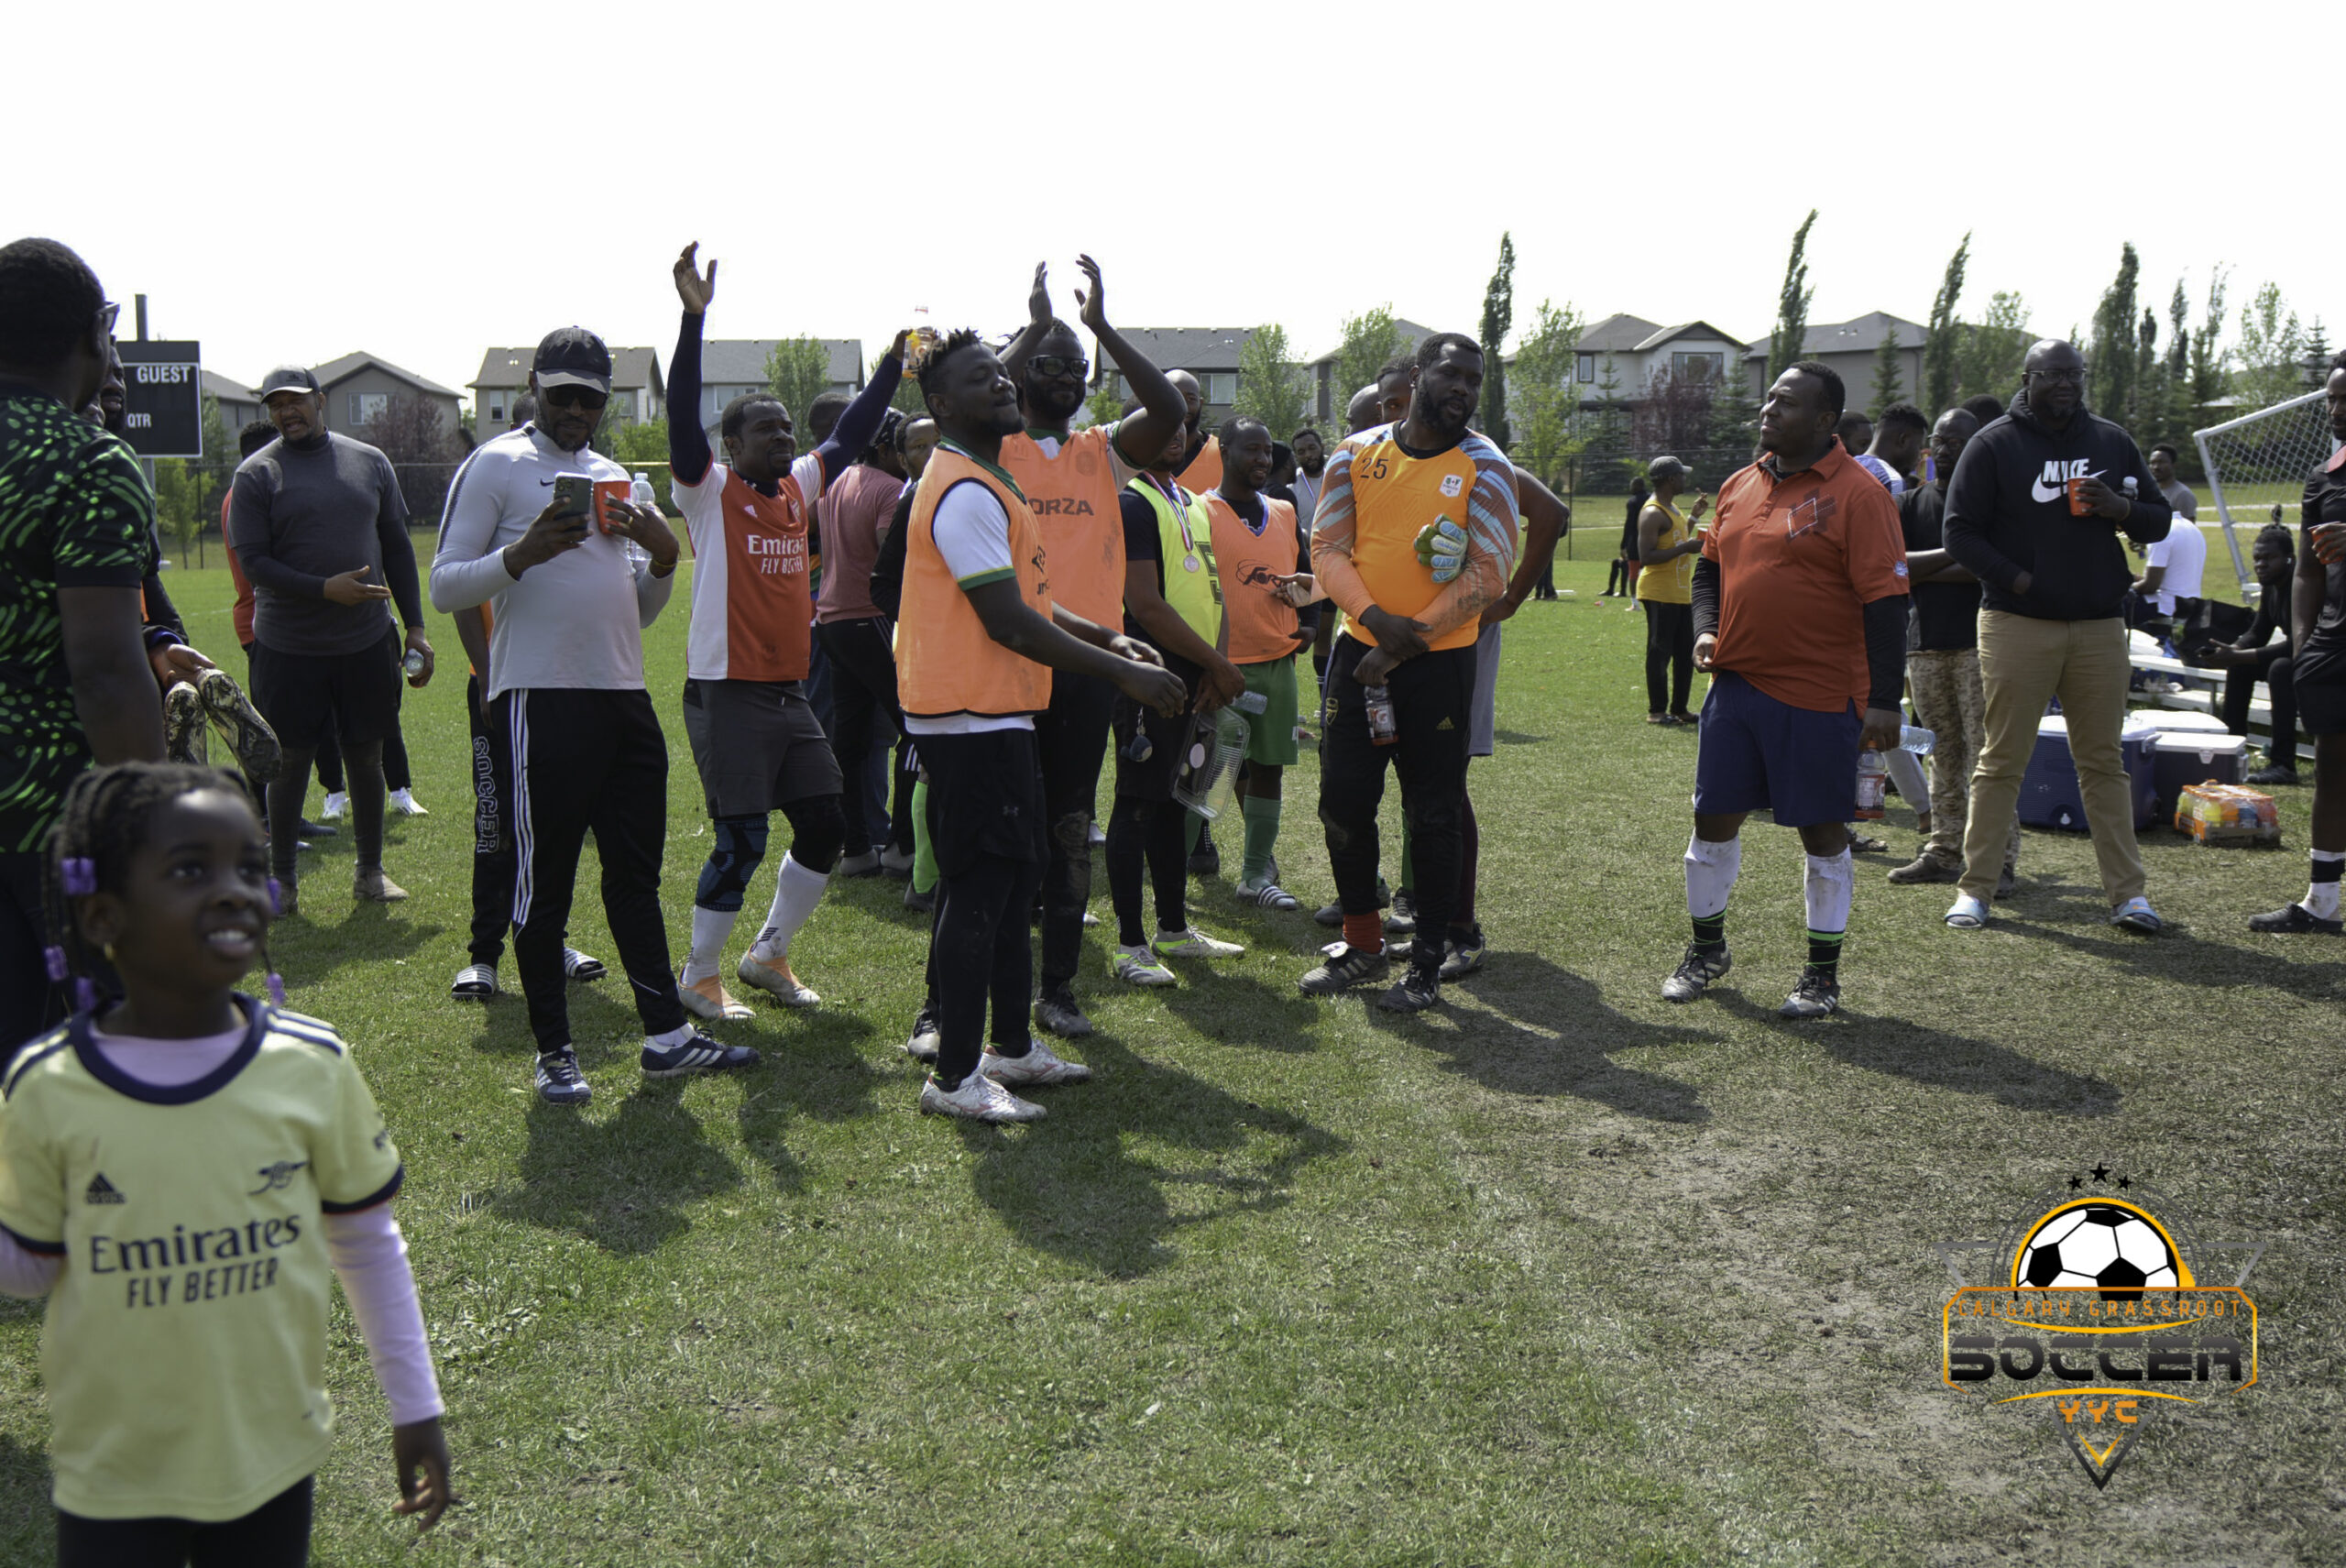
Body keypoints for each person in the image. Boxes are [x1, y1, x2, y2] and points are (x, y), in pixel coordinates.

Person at [1, 762, 448, 1560]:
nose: (235, 890)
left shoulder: (311, 1066)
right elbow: (32, 1266)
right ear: (103, 913)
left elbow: (367, 1242)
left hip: (270, 1463)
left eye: (249, 866)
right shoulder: (47, 1087)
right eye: (189, 870)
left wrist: (415, 1404)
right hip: (111, 1471)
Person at [432, 323, 756, 1105]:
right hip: (539, 699)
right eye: (564, 395)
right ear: (533, 390)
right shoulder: (497, 464)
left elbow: (638, 610)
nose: (577, 409)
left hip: (623, 699)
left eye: (591, 398)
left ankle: (665, 1036)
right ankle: (554, 1051)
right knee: (543, 884)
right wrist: (522, 554)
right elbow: (444, 584)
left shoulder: (615, 477)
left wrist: (665, 556)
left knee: (634, 874)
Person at [893, 329, 1184, 1121]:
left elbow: (1030, 601)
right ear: (941, 405)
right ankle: (955, 1076)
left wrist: (1106, 637)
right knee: (980, 892)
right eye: (981, 379)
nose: (1002, 385)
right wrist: (1123, 672)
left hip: (999, 714)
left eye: (1001, 374)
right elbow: (1008, 622)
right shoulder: (963, 489)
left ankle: (1012, 1047)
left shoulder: (991, 480)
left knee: (1014, 880)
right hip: (968, 717)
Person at [663, 245, 904, 1022]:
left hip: (787, 690)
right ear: (730, 446)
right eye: (761, 429)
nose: (779, 438)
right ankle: (699, 976)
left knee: (826, 823)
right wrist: (693, 322)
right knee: (740, 837)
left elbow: (853, 431)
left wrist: (894, 364)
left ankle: (767, 954)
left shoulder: (798, 488)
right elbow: (680, 414)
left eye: (784, 428)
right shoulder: (708, 490)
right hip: (726, 689)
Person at [1662, 360, 1909, 1019]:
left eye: (1787, 403)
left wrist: (1885, 699)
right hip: (1736, 686)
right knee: (1711, 821)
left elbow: (1887, 603)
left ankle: (1821, 977)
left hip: (1820, 694)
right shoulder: (1740, 483)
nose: (1769, 410)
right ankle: (1706, 950)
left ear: (1826, 420)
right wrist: (1706, 629)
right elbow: (1709, 569)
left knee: (1822, 833)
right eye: (1769, 399)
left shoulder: (1860, 494)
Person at [995, 258, 1189, 1040]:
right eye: (1051, 365)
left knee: (1071, 825)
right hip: (1007, 657)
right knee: (1003, 831)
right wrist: (1037, 325)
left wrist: (1099, 327)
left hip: (1088, 668)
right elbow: (967, 394)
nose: (1067, 378)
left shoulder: (1101, 450)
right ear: (1022, 374)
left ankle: (1058, 987)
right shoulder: (992, 446)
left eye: (1078, 369)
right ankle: (963, 994)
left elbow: (1167, 406)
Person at [1299, 333, 1517, 1012]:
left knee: (1433, 813)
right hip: (1356, 655)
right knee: (1341, 802)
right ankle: (1363, 945)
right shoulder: (1355, 454)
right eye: (1452, 374)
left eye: (1474, 380)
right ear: (1419, 375)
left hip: (1437, 664)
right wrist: (1371, 617)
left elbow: (1490, 573)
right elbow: (1326, 546)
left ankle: (1425, 963)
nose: (1463, 389)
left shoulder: (1487, 465)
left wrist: (1401, 643)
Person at [0, 238, 168, 1058]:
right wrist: (151, 820)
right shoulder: (88, 460)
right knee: (111, 1060)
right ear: (94, 335)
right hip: (49, 820)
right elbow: (103, 670)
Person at [1942, 339, 2173, 932]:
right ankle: (1976, 890)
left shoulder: (2111, 440)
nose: (2067, 383)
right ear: (2028, 378)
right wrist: (2020, 581)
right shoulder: (1993, 443)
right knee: (2001, 760)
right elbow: (1959, 532)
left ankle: (2129, 897)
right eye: (2053, 374)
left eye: (2075, 373)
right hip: (2017, 623)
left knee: (2104, 764)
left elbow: (2159, 519)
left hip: (2099, 625)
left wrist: (2119, 507)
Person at [228, 365, 434, 914]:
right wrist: (325, 590)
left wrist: (415, 627)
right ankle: (283, 883)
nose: (286, 412)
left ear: (320, 401)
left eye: (295, 401)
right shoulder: (256, 474)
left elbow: (397, 547)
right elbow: (254, 563)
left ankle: (370, 873)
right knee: (290, 761)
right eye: (276, 405)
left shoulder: (369, 461)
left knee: (366, 756)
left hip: (365, 641)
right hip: (288, 647)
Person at [1103, 416, 1250, 981]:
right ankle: (1129, 945)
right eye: (1161, 425)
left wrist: (1217, 664)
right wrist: (1215, 664)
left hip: (1199, 670)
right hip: (1152, 671)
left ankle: (1172, 930)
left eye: (1182, 426)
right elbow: (1144, 604)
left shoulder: (1191, 501)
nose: (1175, 434)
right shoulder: (1131, 500)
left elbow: (1215, 591)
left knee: (1174, 801)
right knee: (1136, 802)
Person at [1885, 408, 2023, 891]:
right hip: (1925, 645)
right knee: (1941, 752)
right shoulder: (1909, 503)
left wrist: (1941, 566)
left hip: (1982, 644)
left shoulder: (1990, 503)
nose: (1944, 450)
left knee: (1987, 755)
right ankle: (1944, 850)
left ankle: (1997, 859)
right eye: (1939, 442)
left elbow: (1993, 567)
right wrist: (1960, 552)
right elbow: (1895, 568)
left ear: (1975, 446)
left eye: (1956, 442)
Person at [2246, 352, 2346, 932]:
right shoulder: (2323, 477)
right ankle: (2322, 904)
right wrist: (2305, 645)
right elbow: (2307, 571)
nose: (2336, 409)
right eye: (2331, 398)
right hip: (2334, 645)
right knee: (2332, 772)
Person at [1207, 418, 1319, 910]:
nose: (1262, 459)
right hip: (1217, 666)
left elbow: (1308, 573)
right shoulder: (1198, 511)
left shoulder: (1283, 511)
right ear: (1224, 451)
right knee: (1205, 772)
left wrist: (1309, 622)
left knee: (1269, 769)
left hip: (1276, 663)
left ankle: (1255, 874)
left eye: (1267, 452)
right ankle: (1175, 870)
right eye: (1250, 449)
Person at [817, 409, 919, 877]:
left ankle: (856, 848)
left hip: (832, 620)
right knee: (917, 727)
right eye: (905, 447)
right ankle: (901, 845)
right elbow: (888, 555)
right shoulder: (890, 489)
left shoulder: (838, 482)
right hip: (869, 618)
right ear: (885, 449)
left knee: (850, 740)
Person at [867, 415, 942, 912]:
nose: (931, 452)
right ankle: (922, 879)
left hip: (963, 651)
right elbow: (882, 584)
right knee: (925, 761)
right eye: (918, 446)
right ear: (901, 458)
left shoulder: (958, 488)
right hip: (928, 653)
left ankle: (928, 872)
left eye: (937, 441)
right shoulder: (913, 498)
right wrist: (928, 625)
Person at [2199, 524, 2297, 785]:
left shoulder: (2302, 585)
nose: (2260, 565)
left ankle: (2283, 764)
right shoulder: (2272, 585)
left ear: (2289, 559)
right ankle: (2231, 749)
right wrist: (2232, 650)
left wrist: (2240, 655)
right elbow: (2259, 631)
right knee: (2241, 666)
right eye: (2257, 558)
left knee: (2281, 668)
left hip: (2325, 658)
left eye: (2269, 558)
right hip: (2300, 654)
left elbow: (2299, 645)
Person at [1636, 455, 1706, 723]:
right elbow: (1646, 556)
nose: (1685, 479)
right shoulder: (1652, 513)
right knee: (1659, 652)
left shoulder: (1673, 508)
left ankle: (1679, 709)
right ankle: (1657, 711)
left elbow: (1676, 538)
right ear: (1670, 479)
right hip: (1658, 593)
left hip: (1679, 593)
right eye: (1681, 475)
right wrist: (1686, 548)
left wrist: (1693, 517)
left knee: (1685, 652)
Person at [2132, 468, 2206, 631]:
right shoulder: (2190, 527)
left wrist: (2127, 587)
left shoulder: (2161, 532)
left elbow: (2150, 586)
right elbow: (2172, 578)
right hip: (2191, 603)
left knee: (2114, 603)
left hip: (2166, 606)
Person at [1853, 401, 1928, 495]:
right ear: (1903, 440)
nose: (1919, 458)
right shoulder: (1891, 481)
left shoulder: (1849, 467)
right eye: (1919, 447)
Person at [1606, 477, 1650, 599]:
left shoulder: (1633, 501)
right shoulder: (1652, 499)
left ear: (1637, 486)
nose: (1631, 488)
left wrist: (1623, 545)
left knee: (1631, 567)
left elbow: (1629, 524)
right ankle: (1614, 590)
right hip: (1652, 539)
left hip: (1636, 540)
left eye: (1632, 485)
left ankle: (1631, 596)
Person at [2147, 442, 2198, 521]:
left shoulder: (2182, 494)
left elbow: (2187, 527)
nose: (2156, 467)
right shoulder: (2149, 491)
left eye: (2161, 462)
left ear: (2174, 465)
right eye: (2152, 463)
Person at [1290, 427, 1327, 531]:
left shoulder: (1336, 478)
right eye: (1301, 452)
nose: (1308, 455)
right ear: (1296, 456)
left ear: (1322, 447)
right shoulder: (1291, 486)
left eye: (1312, 448)